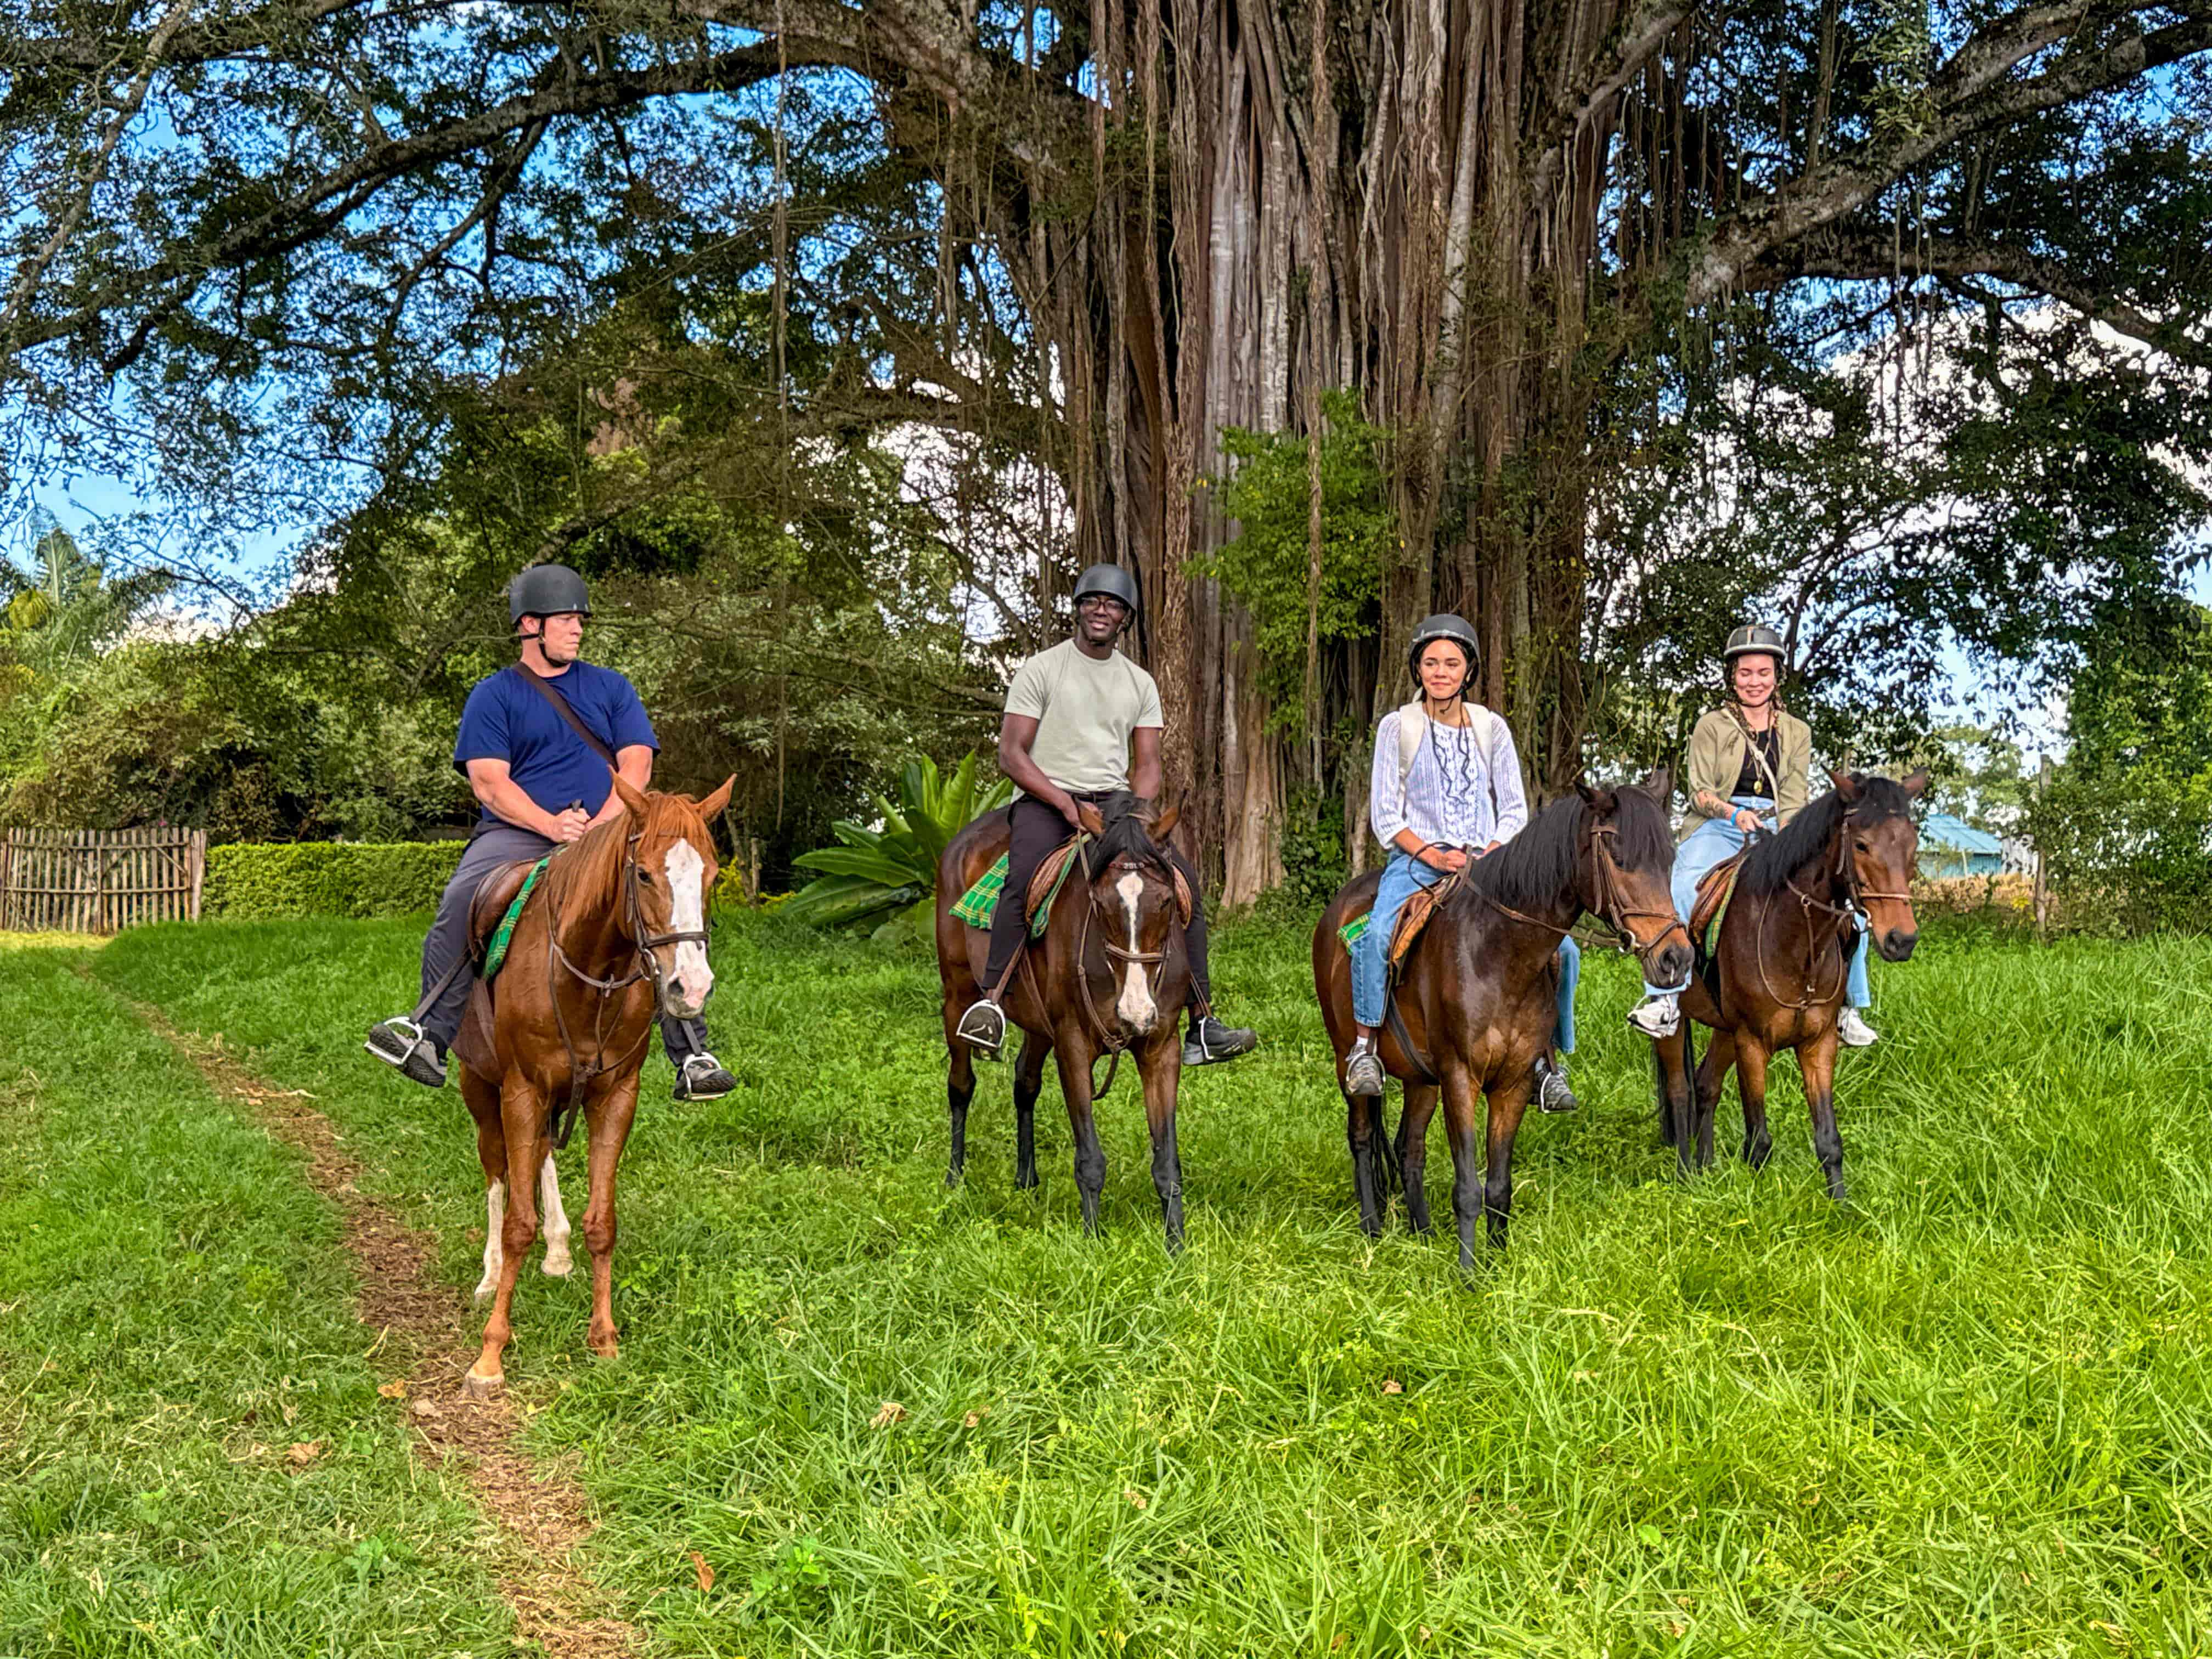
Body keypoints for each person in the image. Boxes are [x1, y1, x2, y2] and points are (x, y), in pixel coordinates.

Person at [363, 565, 738, 1099]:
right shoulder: (494, 696)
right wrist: (551, 824)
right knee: (464, 894)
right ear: (529, 627)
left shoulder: (612, 688)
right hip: (518, 832)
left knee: (662, 900)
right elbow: (490, 784)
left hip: (608, 829)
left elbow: (637, 764)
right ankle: (428, 1031)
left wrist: (602, 826)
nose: (577, 629)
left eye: (579, 620)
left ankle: (692, 1053)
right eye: (565, 620)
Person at [953, 563, 1259, 1069]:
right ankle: (991, 1004)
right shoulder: (1043, 669)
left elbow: (1148, 764)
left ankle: (1202, 1021)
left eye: (1113, 604)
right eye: (1092, 601)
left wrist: (1135, 817)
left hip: (1116, 804)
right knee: (1023, 879)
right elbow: (1012, 754)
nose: (1102, 609)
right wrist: (1064, 803)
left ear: (1125, 619)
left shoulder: (1139, 683)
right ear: (1078, 609)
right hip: (1046, 799)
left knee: (1182, 886)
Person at [1343, 613, 1582, 1113]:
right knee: (1377, 936)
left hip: (1486, 864)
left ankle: (1545, 1061)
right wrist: (1433, 854)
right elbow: (1386, 813)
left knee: (1566, 952)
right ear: (1418, 669)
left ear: (1468, 670)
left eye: (1452, 663)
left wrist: (1488, 854)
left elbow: (1515, 808)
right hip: (1419, 860)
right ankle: (1364, 1047)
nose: (1441, 672)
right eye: (1431, 662)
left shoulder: (1492, 728)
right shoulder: (1397, 727)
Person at [1626, 623, 1879, 1045]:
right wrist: (1733, 813)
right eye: (1745, 673)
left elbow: (1795, 793)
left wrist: (1791, 834)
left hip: (1782, 824)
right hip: (1720, 824)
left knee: (1848, 902)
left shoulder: (1797, 731)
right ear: (1732, 676)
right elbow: (1699, 790)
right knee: (1682, 886)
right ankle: (1665, 998)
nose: (1754, 681)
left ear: (1777, 675)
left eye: (1763, 672)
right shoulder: (1711, 725)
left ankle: (1849, 1007)